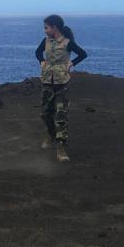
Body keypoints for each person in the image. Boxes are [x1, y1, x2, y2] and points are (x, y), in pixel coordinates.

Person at [35, 14, 88, 162]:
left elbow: (83, 54)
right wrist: (42, 61)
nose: (45, 30)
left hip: (62, 83)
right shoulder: (45, 41)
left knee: (61, 116)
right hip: (47, 81)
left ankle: (61, 147)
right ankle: (52, 136)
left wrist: (72, 64)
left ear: (55, 27)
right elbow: (38, 52)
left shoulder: (67, 43)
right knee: (45, 113)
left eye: (46, 27)